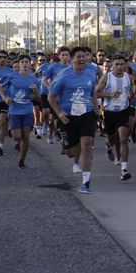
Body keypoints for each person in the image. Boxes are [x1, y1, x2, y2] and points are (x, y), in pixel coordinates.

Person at [49, 47, 100, 194]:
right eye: (78, 57)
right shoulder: (64, 75)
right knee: (71, 152)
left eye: (84, 57)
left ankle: (86, 182)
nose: (82, 59)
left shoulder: (91, 73)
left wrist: (97, 110)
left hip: (86, 114)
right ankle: (74, 157)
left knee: (87, 146)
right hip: (68, 117)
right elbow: (51, 97)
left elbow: (92, 94)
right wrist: (59, 113)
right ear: (72, 59)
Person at [96, 54, 136, 180]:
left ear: (125, 65)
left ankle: (124, 169)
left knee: (123, 138)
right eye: (116, 64)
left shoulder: (128, 77)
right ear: (112, 65)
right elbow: (97, 93)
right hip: (109, 112)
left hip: (123, 111)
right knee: (111, 139)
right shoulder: (107, 77)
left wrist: (135, 95)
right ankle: (108, 146)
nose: (119, 67)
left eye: (121, 64)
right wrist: (110, 94)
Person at [0, 54, 38, 168]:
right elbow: (0, 86)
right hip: (14, 111)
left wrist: (34, 92)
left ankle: (22, 159)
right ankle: (13, 131)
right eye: (22, 62)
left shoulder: (34, 79)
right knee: (17, 137)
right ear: (19, 65)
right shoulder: (11, 76)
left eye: (27, 62)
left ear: (30, 64)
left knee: (26, 136)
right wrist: (5, 98)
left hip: (27, 111)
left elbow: (35, 98)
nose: (24, 64)